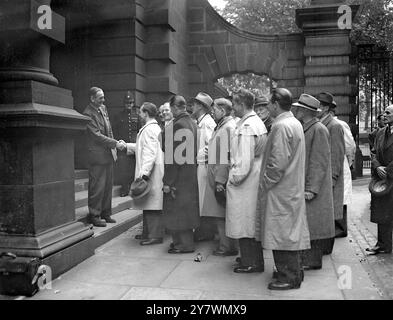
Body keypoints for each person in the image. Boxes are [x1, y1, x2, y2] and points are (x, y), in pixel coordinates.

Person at [256, 88, 310, 290]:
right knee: (289, 232)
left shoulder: (281, 126)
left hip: (281, 190)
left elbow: (277, 164)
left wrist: (264, 184)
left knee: (282, 234)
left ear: (275, 104)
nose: (267, 107)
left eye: (269, 103)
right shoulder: (294, 122)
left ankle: (288, 276)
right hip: (290, 188)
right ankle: (293, 272)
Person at [226, 89, 267, 273]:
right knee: (247, 221)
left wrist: (233, 179)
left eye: (234, 104)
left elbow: (244, 160)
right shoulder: (253, 122)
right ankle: (248, 257)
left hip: (246, 181)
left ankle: (252, 262)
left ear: (242, 104)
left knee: (245, 222)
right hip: (252, 177)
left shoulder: (248, 126)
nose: (233, 108)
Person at [292, 94, 335, 270]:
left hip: (313, 188)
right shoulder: (309, 127)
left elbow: (319, 161)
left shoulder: (318, 129)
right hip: (308, 184)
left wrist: (311, 188)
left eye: (299, 109)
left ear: (305, 111)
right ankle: (309, 259)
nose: (296, 111)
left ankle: (313, 261)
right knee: (311, 224)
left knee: (315, 225)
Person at [83, 87, 126, 227]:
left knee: (107, 186)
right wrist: (115, 143)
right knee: (97, 188)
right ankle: (94, 216)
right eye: (100, 97)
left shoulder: (103, 108)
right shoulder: (88, 113)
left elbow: (109, 130)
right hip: (97, 157)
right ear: (92, 99)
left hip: (107, 155)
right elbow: (96, 135)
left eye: (103, 97)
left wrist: (114, 145)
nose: (103, 100)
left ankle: (105, 214)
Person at [163, 95, 200, 253]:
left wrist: (168, 182)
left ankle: (184, 245)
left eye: (171, 108)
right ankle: (180, 242)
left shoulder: (177, 125)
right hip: (189, 173)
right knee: (184, 210)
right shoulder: (192, 123)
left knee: (178, 211)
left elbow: (173, 158)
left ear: (174, 107)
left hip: (179, 176)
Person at [201, 98, 238, 256]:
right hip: (217, 175)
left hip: (220, 177)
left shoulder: (226, 128)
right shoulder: (223, 126)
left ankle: (226, 247)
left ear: (223, 111)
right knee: (220, 214)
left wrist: (219, 181)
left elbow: (225, 157)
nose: (212, 112)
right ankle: (226, 245)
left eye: (214, 109)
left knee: (221, 215)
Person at [125, 102, 164, 245]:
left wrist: (144, 173)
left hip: (151, 173)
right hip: (152, 171)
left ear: (146, 113)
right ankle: (148, 233)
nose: (139, 115)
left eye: (141, 112)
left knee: (152, 205)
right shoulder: (152, 128)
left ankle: (154, 235)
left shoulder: (149, 129)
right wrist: (127, 146)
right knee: (148, 203)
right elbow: (143, 148)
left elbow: (150, 152)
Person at [317, 92, 345, 254]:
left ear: (326, 108)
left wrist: (333, 179)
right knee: (324, 213)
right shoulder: (322, 123)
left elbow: (337, 155)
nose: (317, 108)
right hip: (324, 177)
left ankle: (326, 248)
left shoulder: (334, 126)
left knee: (329, 214)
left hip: (330, 177)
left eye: (320, 105)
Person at [190, 92, 217, 242]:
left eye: (194, 104)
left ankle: (206, 231)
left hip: (204, 166)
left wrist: (198, 157)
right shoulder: (201, 122)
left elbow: (210, 146)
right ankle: (204, 230)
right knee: (201, 198)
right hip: (201, 165)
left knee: (204, 198)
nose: (192, 107)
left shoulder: (207, 123)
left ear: (201, 106)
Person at [367, 105, 393, 255]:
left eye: (388, 112)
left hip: (391, 176)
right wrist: (377, 167)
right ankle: (382, 244)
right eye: (384, 112)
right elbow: (373, 152)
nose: (384, 115)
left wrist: (388, 170)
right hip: (381, 179)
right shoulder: (381, 132)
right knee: (381, 211)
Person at [334, 110, 356, 238]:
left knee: (341, 196)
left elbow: (350, 145)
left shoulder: (340, 124)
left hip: (341, 163)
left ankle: (341, 228)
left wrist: (350, 162)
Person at [113, 91, 139, 197]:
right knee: (123, 168)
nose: (129, 105)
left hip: (133, 146)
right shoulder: (118, 116)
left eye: (131, 103)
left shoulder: (137, 116)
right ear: (124, 103)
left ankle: (133, 188)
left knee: (133, 168)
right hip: (123, 146)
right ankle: (125, 189)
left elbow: (139, 130)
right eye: (127, 103)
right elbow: (115, 131)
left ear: (133, 104)